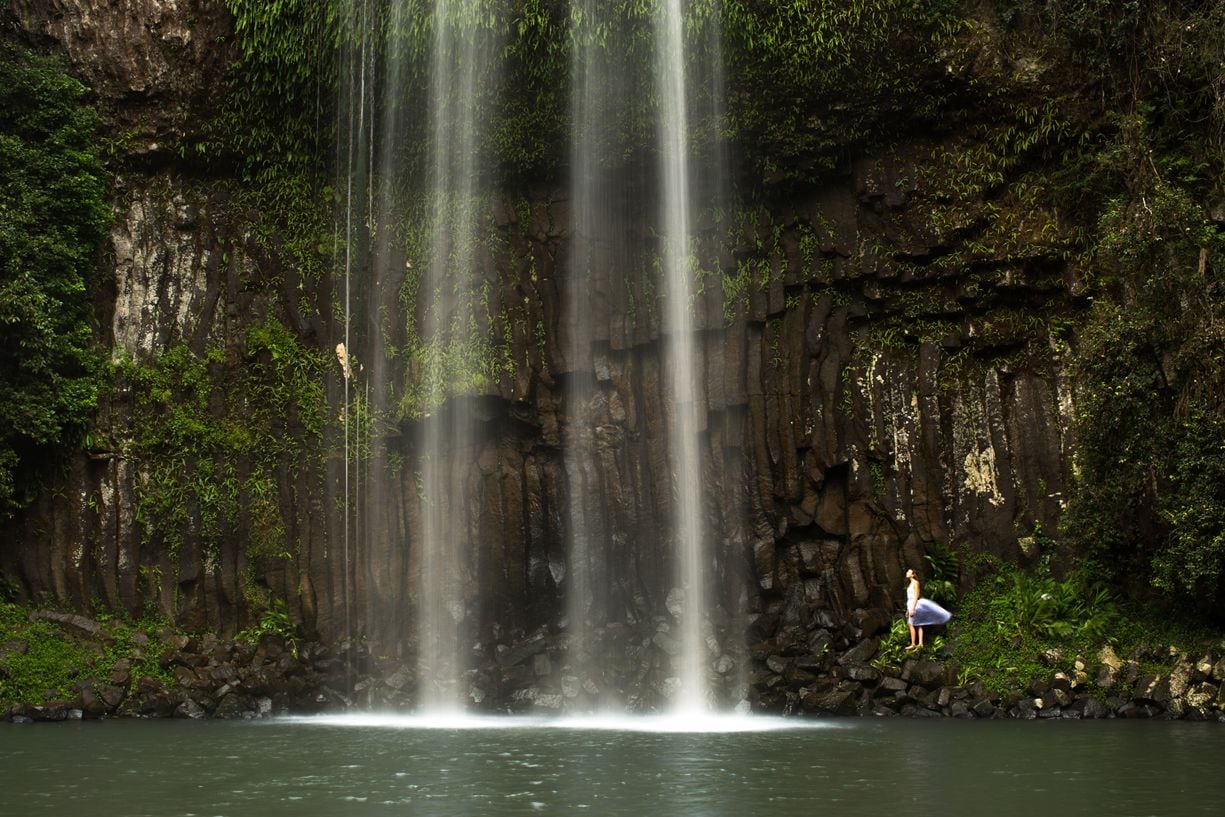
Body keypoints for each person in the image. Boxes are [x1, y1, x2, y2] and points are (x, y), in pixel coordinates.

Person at [905, 567, 951, 650]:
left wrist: (912, 608)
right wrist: (908, 610)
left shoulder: (915, 583)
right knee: (918, 624)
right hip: (910, 604)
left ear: (912, 574)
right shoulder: (911, 584)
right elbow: (909, 598)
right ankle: (920, 643)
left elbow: (916, 596)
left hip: (914, 605)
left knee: (911, 624)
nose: (907, 572)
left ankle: (913, 644)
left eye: (909, 571)